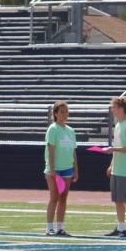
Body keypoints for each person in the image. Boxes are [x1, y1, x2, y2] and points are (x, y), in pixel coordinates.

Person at [106, 96, 126, 237]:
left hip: (125, 170)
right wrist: (111, 165)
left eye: (114, 107)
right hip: (117, 169)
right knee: (118, 200)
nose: (112, 110)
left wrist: (114, 150)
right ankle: (120, 228)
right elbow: (118, 146)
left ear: (120, 108)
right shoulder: (118, 125)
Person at [43, 101, 77, 236]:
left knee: (63, 198)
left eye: (66, 111)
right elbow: (50, 150)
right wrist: (52, 170)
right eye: (61, 111)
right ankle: (49, 228)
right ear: (56, 114)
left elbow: (73, 151)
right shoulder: (53, 129)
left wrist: (76, 169)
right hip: (55, 170)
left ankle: (60, 227)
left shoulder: (70, 131)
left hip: (67, 169)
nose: (64, 114)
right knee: (54, 197)